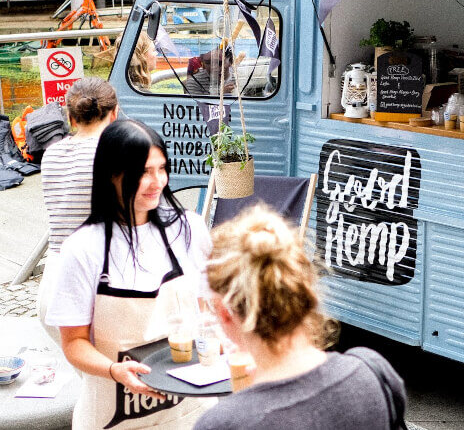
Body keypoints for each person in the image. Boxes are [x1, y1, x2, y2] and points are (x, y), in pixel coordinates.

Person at [45, 119, 215, 429]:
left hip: (191, 410)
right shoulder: (83, 248)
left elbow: (207, 309)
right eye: (143, 172)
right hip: (113, 414)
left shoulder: (189, 227)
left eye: (161, 169)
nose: (157, 182)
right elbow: (74, 343)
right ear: (112, 174)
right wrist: (113, 369)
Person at [193, 205, 405, 430]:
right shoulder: (371, 372)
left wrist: (243, 404)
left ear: (226, 313)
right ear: (303, 290)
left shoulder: (224, 423)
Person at [38, 77, 118, 343]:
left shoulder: (51, 154)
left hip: (53, 283)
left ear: (70, 118)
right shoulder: (115, 153)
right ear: (114, 114)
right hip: (94, 281)